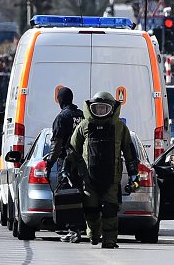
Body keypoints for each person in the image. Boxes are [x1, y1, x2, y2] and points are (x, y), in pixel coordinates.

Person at [65, 91, 139, 249]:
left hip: (112, 178)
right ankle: (93, 234)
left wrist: (134, 174)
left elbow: (129, 151)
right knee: (90, 209)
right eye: (97, 108)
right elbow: (73, 149)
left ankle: (110, 240)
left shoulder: (119, 126)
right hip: (88, 178)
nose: (100, 111)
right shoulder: (84, 125)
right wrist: (68, 168)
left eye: (103, 108)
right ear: (90, 108)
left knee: (110, 210)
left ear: (112, 109)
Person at [45, 86, 84, 243]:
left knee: (68, 196)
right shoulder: (81, 116)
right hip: (83, 162)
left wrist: (50, 162)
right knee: (81, 194)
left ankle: (73, 230)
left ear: (60, 100)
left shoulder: (62, 117)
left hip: (67, 162)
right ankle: (80, 227)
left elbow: (57, 144)